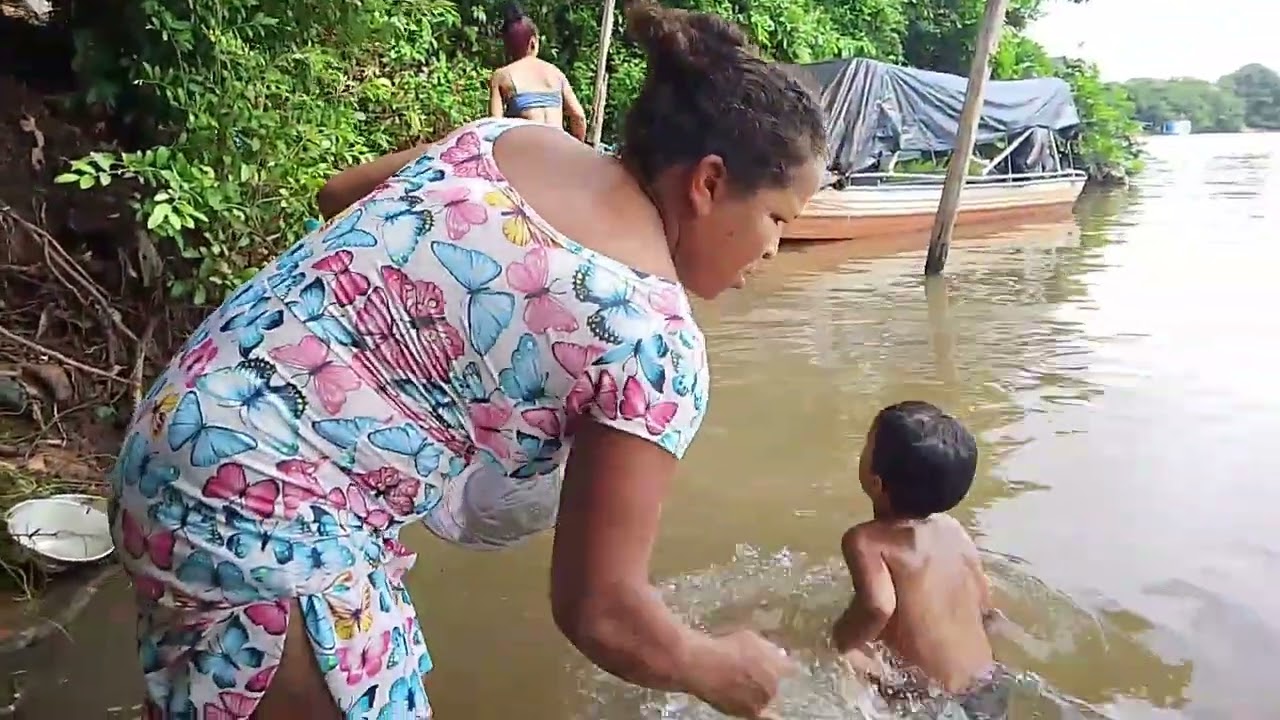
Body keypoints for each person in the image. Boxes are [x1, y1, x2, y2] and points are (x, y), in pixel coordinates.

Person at [108, 0, 826, 718]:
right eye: (777, 219)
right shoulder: (654, 339)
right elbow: (602, 611)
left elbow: (336, 196)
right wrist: (713, 665)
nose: (772, 250)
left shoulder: (507, 140)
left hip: (175, 431)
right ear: (707, 183)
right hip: (269, 514)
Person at [831, 401, 1009, 718]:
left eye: (866, 446)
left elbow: (878, 606)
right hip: (988, 683)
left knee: (845, 657)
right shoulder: (953, 530)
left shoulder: (866, 540)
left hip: (926, 700)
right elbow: (986, 609)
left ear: (876, 482)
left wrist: (836, 645)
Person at [488, 2, 588, 141]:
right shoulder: (556, 73)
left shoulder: (501, 76)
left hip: (529, 150)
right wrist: (578, 145)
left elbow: (495, 126)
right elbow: (579, 116)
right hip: (559, 148)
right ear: (533, 42)